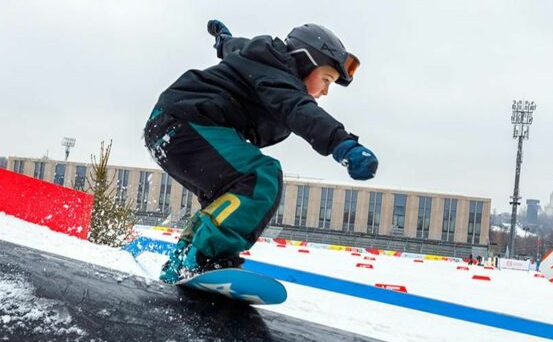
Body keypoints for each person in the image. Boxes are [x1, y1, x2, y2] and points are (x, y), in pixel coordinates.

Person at [144, 20, 378, 283]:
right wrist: (342, 144)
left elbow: (236, 48)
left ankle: (182, 264)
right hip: (188, 121)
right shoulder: (279, 74)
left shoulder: (262, 59)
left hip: (170, 128)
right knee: (260, 176)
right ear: (304, 62)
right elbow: (299, 110)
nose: (324, 91)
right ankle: (207, 258)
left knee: (226, 199)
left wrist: (223, 39)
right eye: (326, 80)